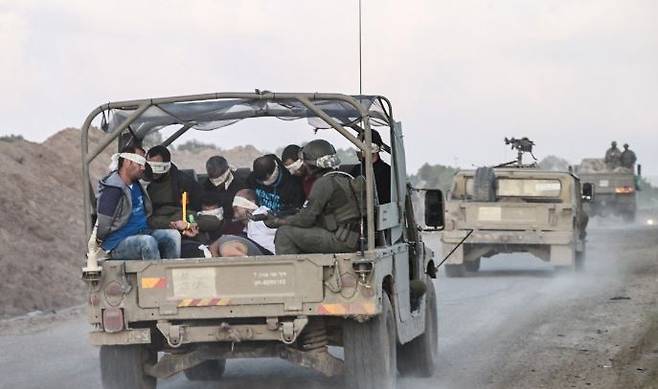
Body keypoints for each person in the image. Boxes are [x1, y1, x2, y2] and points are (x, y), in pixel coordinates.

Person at [265, 139, 364, 255]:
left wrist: (277, 221)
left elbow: (305, 220)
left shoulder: (323, 183)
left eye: (305, 161)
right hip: (350, 238)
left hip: (340, 240)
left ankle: (290, 273)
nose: (305, 165)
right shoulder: (342, 177)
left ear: (312, 165)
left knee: (284, 233)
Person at [95, 145, 181, 260]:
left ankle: (170, 274)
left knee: (173, 236)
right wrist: (99, 245)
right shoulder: (112, 189)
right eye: (139, 163)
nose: (143, 168)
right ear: (127, 162)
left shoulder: (136, 184)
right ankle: (156, 276)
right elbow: (103, 223)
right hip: (118, 242)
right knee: (147, 242)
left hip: (142, 231)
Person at [145, 145, 203, 229]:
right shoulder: (143, 182)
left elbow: (195, 210)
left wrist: (189, 223)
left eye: (158, 167)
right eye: (150, 166)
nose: (153, 172)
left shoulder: (184, 182)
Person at [209, 189, 276, 256]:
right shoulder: (246, 226)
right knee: (219, 242)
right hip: (258, 253)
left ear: (251, 204)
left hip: (269, 255)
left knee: (226, 241)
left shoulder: (263, 215)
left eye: (237, 206)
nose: (234, 208)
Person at [201, 155, 247, 235]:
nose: (217, 183)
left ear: (227, 171)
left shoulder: (241, 185)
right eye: (213, 179)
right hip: (213, 224)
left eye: (220, 178)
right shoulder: (205, 186)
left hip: (235, 225)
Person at [170, 193, 225, 257]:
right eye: (205, 205)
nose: (208, 208)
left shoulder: (221, 222)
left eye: (211, 206)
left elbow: (213, 222)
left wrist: (188, 225)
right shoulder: (193, 216)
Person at [350, 129, 391, 204]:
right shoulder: (356, 169)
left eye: (361, 147)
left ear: (372, 148)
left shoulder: (387, 171)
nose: (358, 150)